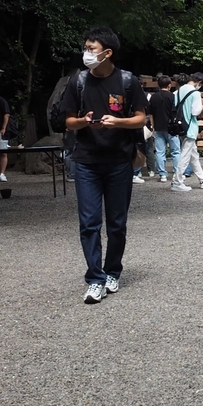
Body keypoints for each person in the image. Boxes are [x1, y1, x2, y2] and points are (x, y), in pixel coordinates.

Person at [57, 26, 148, 304]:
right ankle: (95, 279)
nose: (85, 53)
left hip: (120, 161)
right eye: (85, 48)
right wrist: (84, 121)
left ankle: (112, 272)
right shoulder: (79, 81)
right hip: (86, 161)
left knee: (117, 223)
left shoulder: (127, 81)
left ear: (107, 53)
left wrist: (118, 121)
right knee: (89, 223)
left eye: (91, 49)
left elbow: (141, 119)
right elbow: (68, 120)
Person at [171, 72, 203, 192]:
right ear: (199, 82)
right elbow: (195, 112)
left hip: (180, 125)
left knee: (194, 155)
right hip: (190, 126)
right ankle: (177, 181)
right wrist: (202, 108)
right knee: (186, 155)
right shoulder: (195, 93)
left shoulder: (178, 91)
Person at [147, 74, 179, 182]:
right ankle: (176, 173)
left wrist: (153, 126)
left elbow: (151, 113)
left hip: (158, 127)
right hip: (171, 128)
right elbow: (175, 112)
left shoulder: (154, 97)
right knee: (175, 151)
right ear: (169, 85)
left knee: (160, 152)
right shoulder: (172, 96)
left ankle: (162, 174)